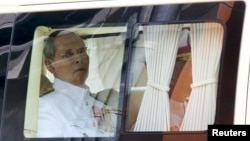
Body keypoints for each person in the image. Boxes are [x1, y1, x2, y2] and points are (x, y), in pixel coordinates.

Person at [37, 30, 117, 138]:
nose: (79, 59)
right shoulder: (45, 106)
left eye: (82, 52)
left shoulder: (101, 104)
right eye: (68, 54)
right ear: (50, 65)